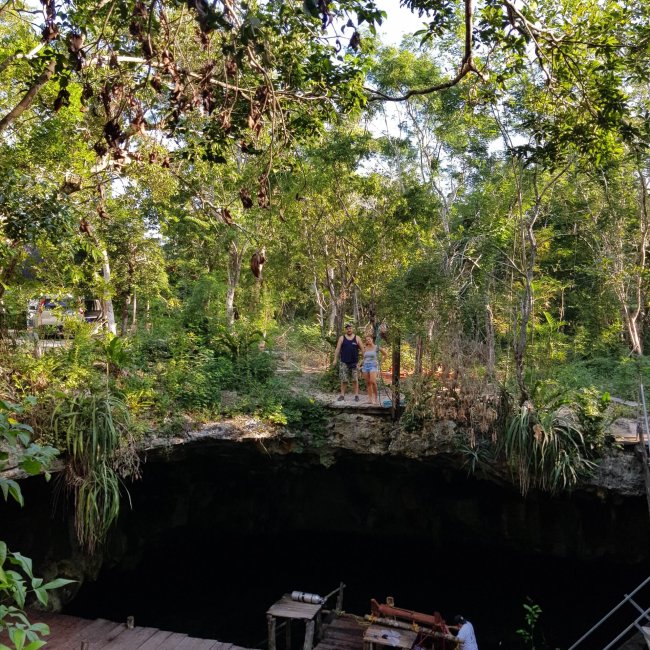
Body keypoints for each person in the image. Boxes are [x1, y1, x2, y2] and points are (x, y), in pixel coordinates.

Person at [333, 323, 364, 401]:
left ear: (352, 329)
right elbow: (337, 349)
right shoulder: (342, 338)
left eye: (350, 328)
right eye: (347, 329)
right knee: (344, 379)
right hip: (344, 362)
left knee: (355, 379)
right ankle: (342, 395)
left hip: (355, 362)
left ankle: (356, 395)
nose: (349, 330)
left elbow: (363, 349)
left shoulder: (357, 338)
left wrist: (363, 360)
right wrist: (335, 359)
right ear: (345, 330)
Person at [361, 334, 379, 404]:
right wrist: (359, 364)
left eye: (369, 339)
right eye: (366, 340)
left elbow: (385, 354)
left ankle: (376, 398)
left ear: (372, 339)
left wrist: (379, 362)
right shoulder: (365, 348)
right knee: (368, 383)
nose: (368, 341)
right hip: (365, 366)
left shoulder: (376, 347)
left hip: (373, 366)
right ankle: (370, 399)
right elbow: (364, 358)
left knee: (373, 381)